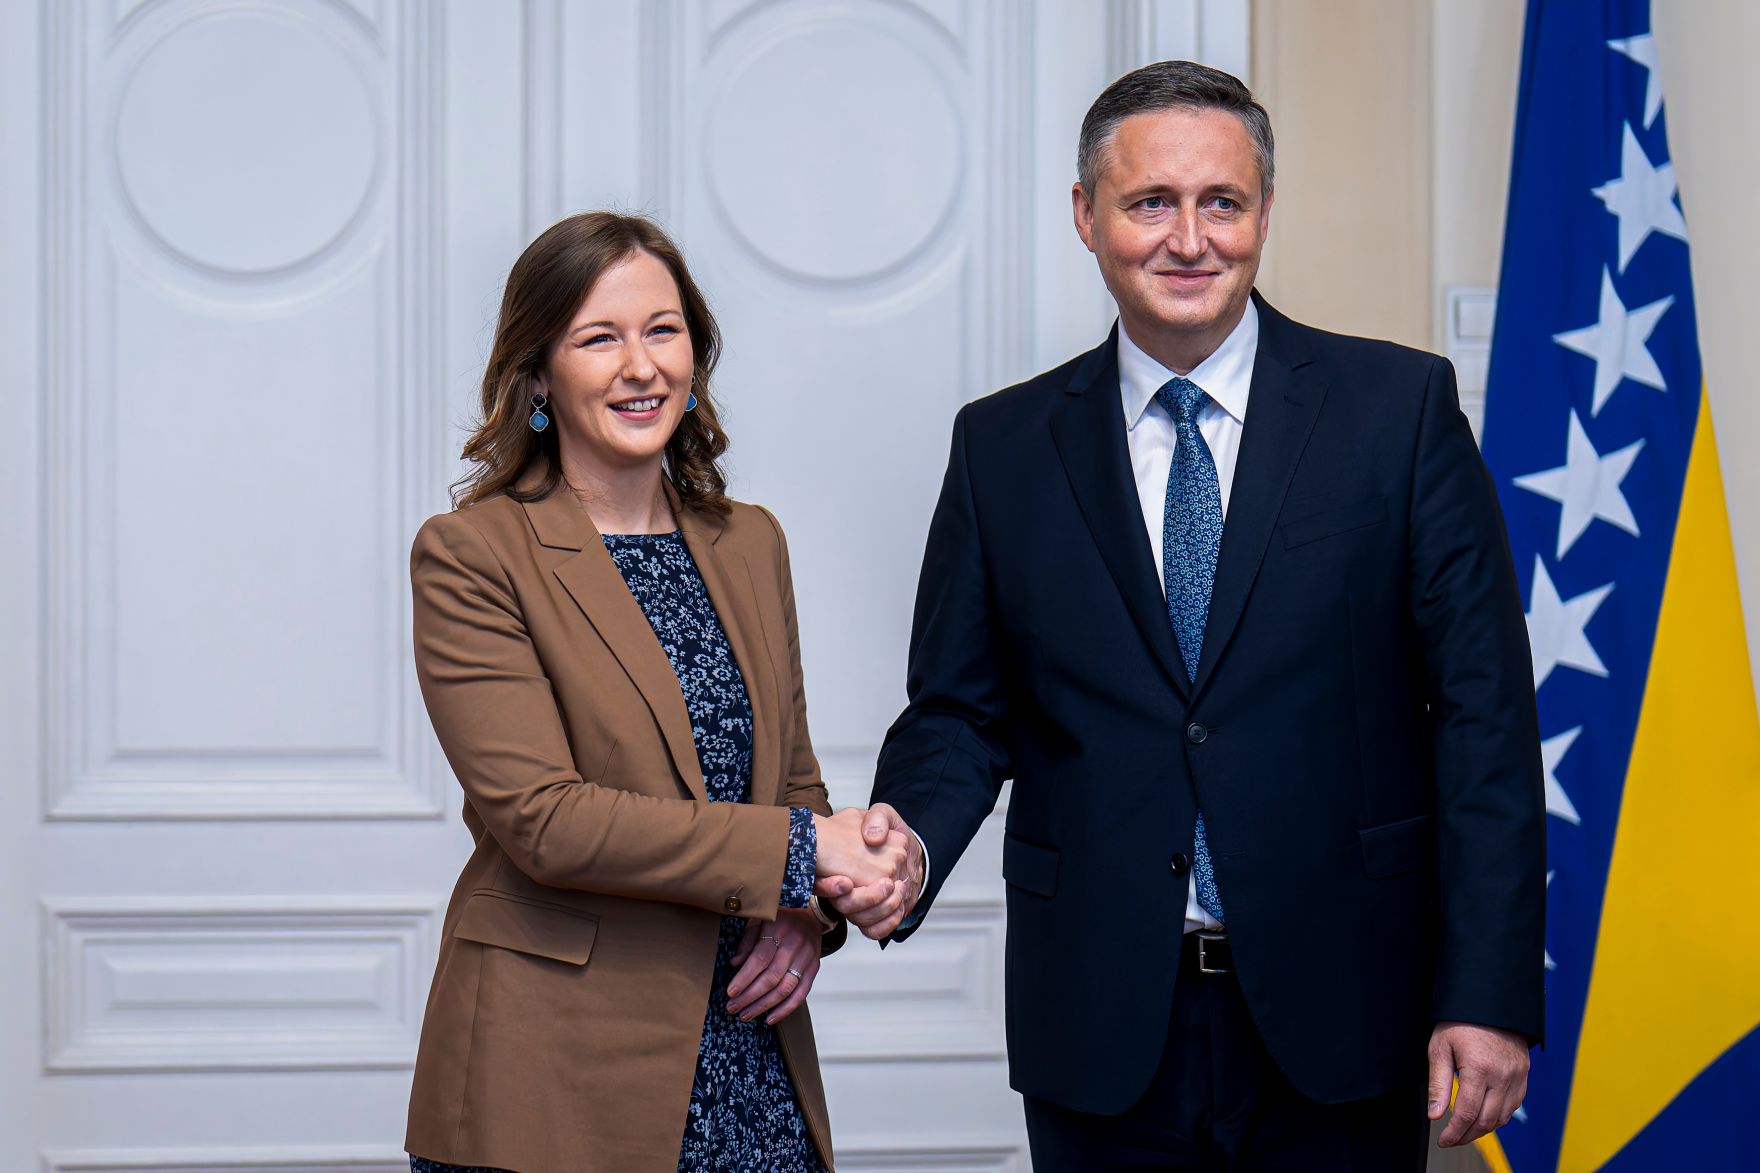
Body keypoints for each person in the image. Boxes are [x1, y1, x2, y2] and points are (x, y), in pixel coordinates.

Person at [825, 61, 1546, 1170]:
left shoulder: (1394, 415)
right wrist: (906, 845)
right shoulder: (1002, 449)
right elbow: (961, 713)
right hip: (1099, 1021)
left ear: (1263, 211)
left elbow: (1482, 718)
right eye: (1149, 202)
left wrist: (1487, 994)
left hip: (1343, 1011)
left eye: (1222, 202)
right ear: (1086, 215)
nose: (1189, 239)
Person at [403, 211, 907, 1173]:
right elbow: (546, 819)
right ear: (538, 373)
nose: (641, 367)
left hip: (748, 1050)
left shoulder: (748, 540)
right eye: (599, 338)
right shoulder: (472, 555)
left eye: (663, 330)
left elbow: (789, 776)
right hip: (551, 1072)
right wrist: (804, 851)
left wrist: (809, 911)